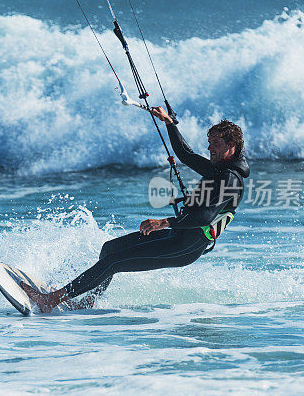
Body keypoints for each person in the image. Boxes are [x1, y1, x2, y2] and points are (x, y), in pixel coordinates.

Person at [21, 106, 250, 312]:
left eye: (215, 144)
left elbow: (204, 216)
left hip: (186, 245)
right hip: (179, 234)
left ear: (231, 146)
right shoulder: (219, 168)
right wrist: (170, 124)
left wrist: (164, 222)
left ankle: (51, 300)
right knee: (110, 249)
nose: (209, 148)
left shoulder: (229, 179)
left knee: (113, 263)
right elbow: (186, 155)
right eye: (209, 142)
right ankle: (87, 302)